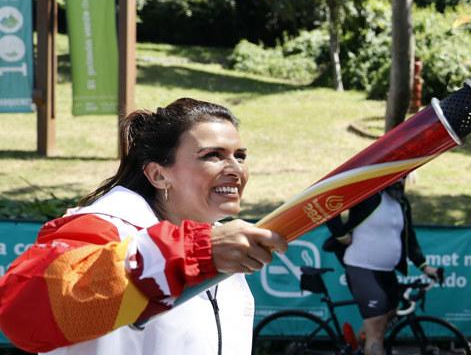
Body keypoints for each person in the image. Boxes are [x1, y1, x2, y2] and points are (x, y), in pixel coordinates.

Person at [0, 98, 287, 354]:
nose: (235, 169)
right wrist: (192, 252)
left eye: (240, 156)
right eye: (212, 155)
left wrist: (201, 250)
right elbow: (21, 315)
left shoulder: (218, 243)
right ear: (158, 175)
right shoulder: (103, 227)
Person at [324, 178, 440, 355]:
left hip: (387, 273)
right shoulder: (367, 194)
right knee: (377, 332)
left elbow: (408, 236)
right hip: (362, 269)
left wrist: (424, 266)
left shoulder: (401, 202)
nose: (401, 181)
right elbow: (329, 202)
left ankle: (354, 349)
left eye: (405, 177)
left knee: (389, 316)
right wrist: (340, 234)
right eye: (398, 176)